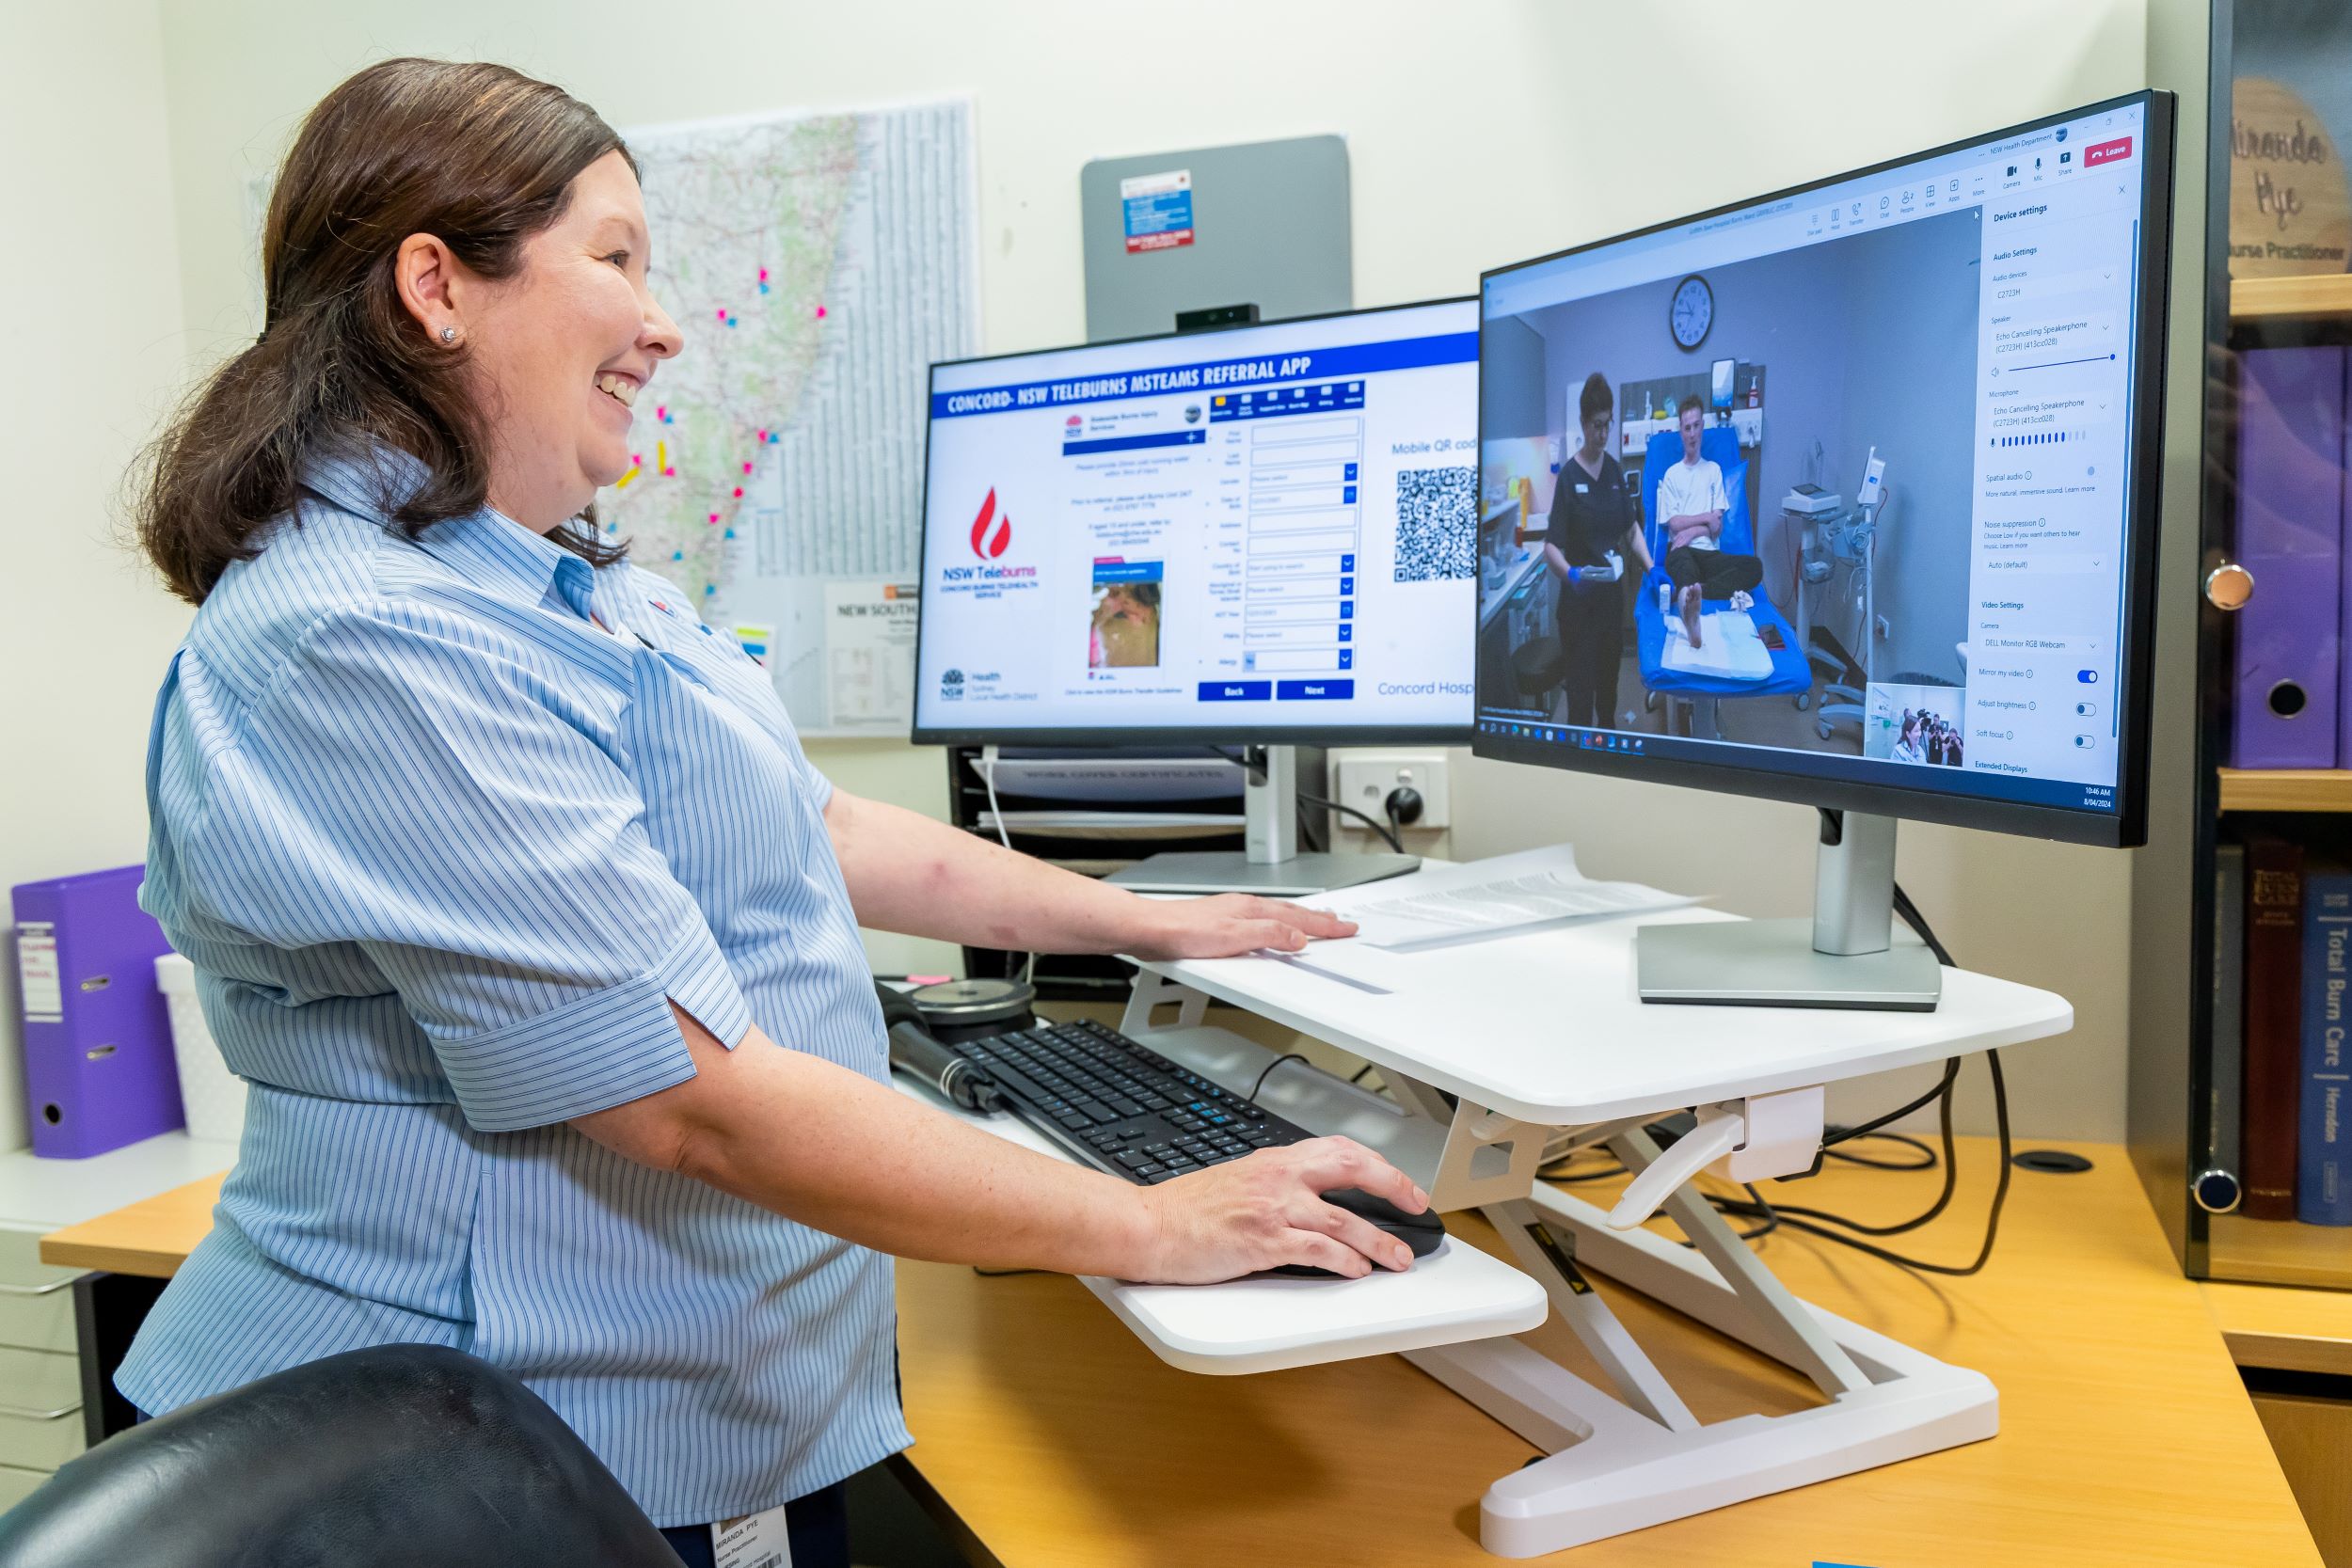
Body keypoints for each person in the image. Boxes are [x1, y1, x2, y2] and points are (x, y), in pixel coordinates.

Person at [121, 60, 1427, 1568]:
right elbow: (693, 1100)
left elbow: (819, 829)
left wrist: (1149, 918)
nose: (663, 321)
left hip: (700, 1383)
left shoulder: (565, 581)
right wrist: (1149, 1221)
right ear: (437, 286)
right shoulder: (362, 639)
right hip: (488, 1453)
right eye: (616, 256)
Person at [1538, 372, 1652, 726]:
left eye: (1608, 425)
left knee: (1608, 690)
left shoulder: (1616, 473)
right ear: (1583, 423)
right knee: (1581, 699)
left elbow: (1630, 529)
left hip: (1608, 605)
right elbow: (1551, 548)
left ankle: (1607, 750)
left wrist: (1652, 566)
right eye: (1596, 426)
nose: (1603, 434)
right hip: (1577, 608)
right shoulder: (1570, 478)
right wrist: (1570, 574)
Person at [1655, 400, 1762, 648]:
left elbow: (1717, 527)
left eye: (1696, 426)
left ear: (1703, 426)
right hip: (1681, 551)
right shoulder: (1672, 474)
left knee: (1754, 567)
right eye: (1686, 428)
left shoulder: (1714, 471)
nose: (1692, 434)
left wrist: (1692, 529)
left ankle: (1700, 590)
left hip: (1711, 555)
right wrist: (1705, 519)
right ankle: (1690, 614)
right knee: (1682, 566)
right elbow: (1673, 524)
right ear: (1680, 431)